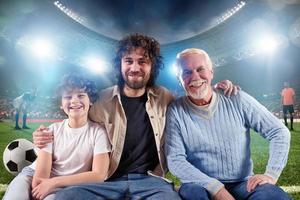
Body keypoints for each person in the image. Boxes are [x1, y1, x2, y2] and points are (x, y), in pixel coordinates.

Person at [32, 34, 237, 199]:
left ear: (152, 66)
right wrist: (44, 134)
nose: (135, 67)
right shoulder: (101, 100)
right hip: (107, 181)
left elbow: (195, 98)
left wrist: (218, 89)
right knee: (67, 197)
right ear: (120, 65)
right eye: (128, 61)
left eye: (143, 61)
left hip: (151, 182)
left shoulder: (165, 97)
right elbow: (74, 119)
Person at [164, 48, 291, 200]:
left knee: (272, 196)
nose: (195, 76)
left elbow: (279, 131)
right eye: (186, 72)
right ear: (179, 79)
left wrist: (271, 174)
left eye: (200, 69)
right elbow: (175, 159)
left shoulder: (236, 98)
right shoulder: (175, 111)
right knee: (193, 194)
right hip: (199, 185)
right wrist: (216, 189)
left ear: (211, 72)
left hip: (243, 183)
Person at [3, 74, 111, 200]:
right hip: (32, 176)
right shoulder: (51, 131)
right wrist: (45, 185)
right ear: (61, 103)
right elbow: (39, 180)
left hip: (67, 184)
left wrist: (55, 182)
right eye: (68, 96)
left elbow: (99, 175)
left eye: (81, 95)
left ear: (90, 100)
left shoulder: (98, 133)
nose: (74, 100)